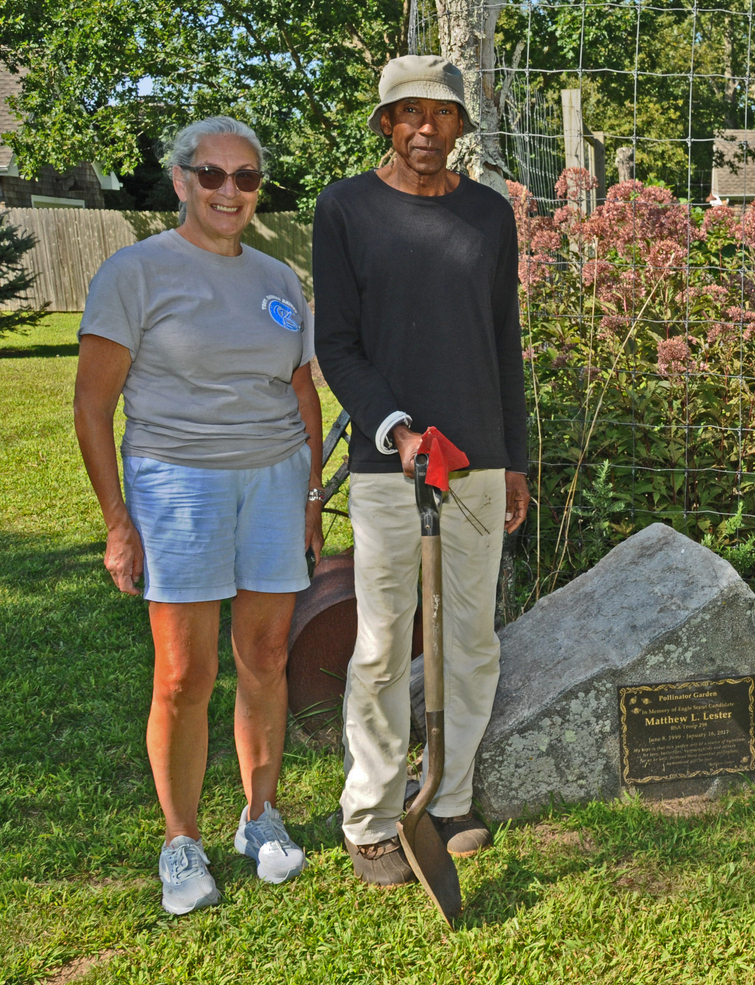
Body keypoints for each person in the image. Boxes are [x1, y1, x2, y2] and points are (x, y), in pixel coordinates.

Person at [74, 117, 320, 914]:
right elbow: (92, 406)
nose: (228, 191)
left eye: (245, 177)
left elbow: (303, 391)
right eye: (210, 175)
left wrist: (313, 495)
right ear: (180, 181)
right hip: (177, 485)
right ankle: (181, 841)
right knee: (185, 673)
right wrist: (118, 520)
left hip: (276, 483)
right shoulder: (135, 271)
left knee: (268, 653)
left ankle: (259, 816)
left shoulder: (279, 280)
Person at [314, 55, 529, 887]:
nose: (424, 130)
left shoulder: (488, 215)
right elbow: (337, 344)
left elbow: (503, 339)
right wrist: (395, 426)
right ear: (386, 125)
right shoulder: (346, 209)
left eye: (440, 115)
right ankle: (369, 815)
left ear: (459, 127)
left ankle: (449, 796)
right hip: (386, 465)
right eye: (408, 115)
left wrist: (511, 457)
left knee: (471, 640)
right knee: (379, 644)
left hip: (475, 464)